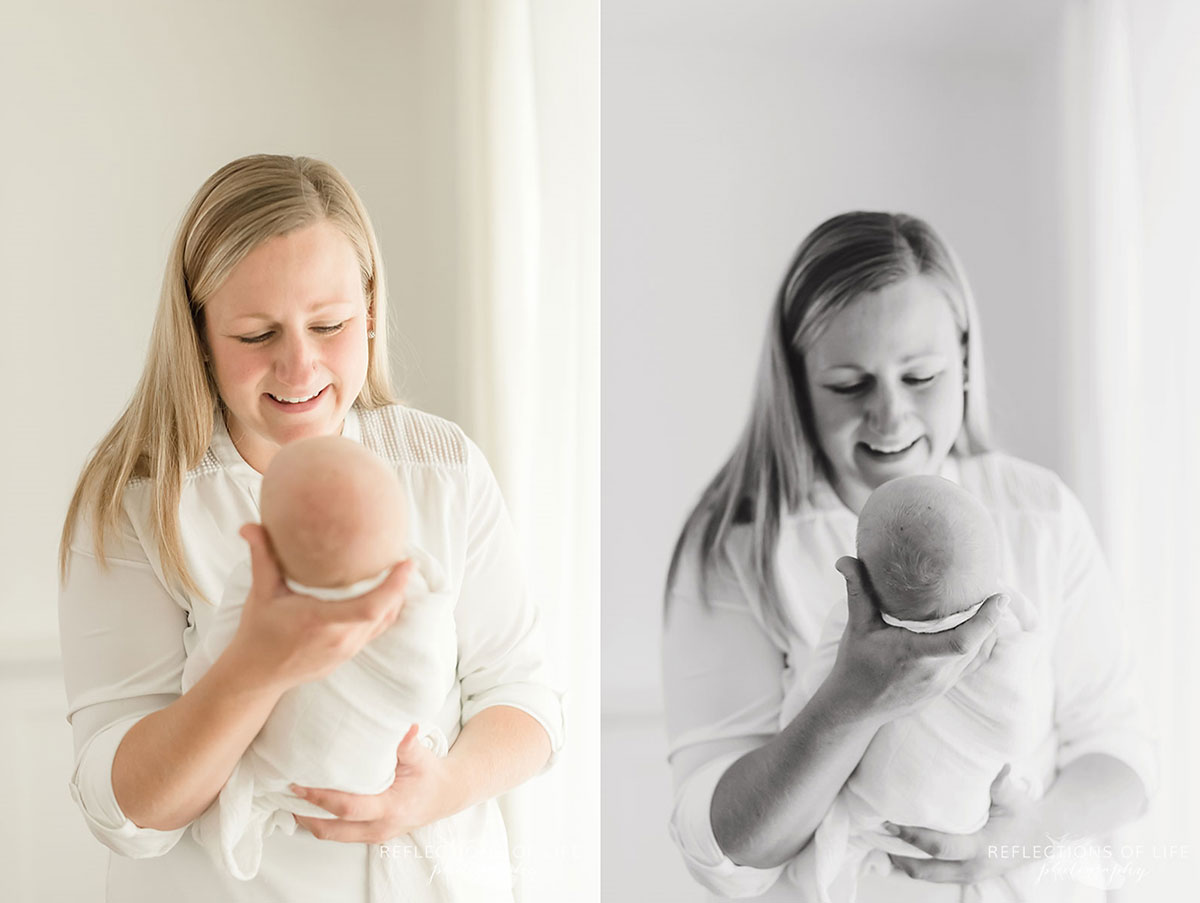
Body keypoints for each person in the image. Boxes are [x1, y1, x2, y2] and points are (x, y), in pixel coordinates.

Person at [58, 154, 564, 902]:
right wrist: (256, 664)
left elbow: (525, 698)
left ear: (369, 310)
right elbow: (126, 810)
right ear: (199, 333)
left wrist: (436, 789)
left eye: (328, 324)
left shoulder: (442, 466)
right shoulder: (141, 501)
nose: (299, 368)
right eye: (257, 335)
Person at [663, 211, 1155, 902]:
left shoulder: (1038, 514)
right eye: (848, 384)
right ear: (798, 381)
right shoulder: (739, 549)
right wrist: (850, 697)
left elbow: (1121, 758)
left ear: (962, 360)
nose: (890, 417)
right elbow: (727, 850)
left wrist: (1013, 840)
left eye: (919, 375)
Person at [181, 435, 474, 898]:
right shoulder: (417, 593)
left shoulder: (251, 585)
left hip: (289, 782)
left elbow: (200, 681)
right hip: (385, 770)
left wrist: (444, 789)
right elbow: (426, 683)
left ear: (265, 540)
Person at [782, 474, 1045, 902]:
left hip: (878, 819)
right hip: (972, 814)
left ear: (862, 581)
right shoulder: (1007, 628)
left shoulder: (849, 629)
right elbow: (1019, 719)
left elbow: (801, 714)